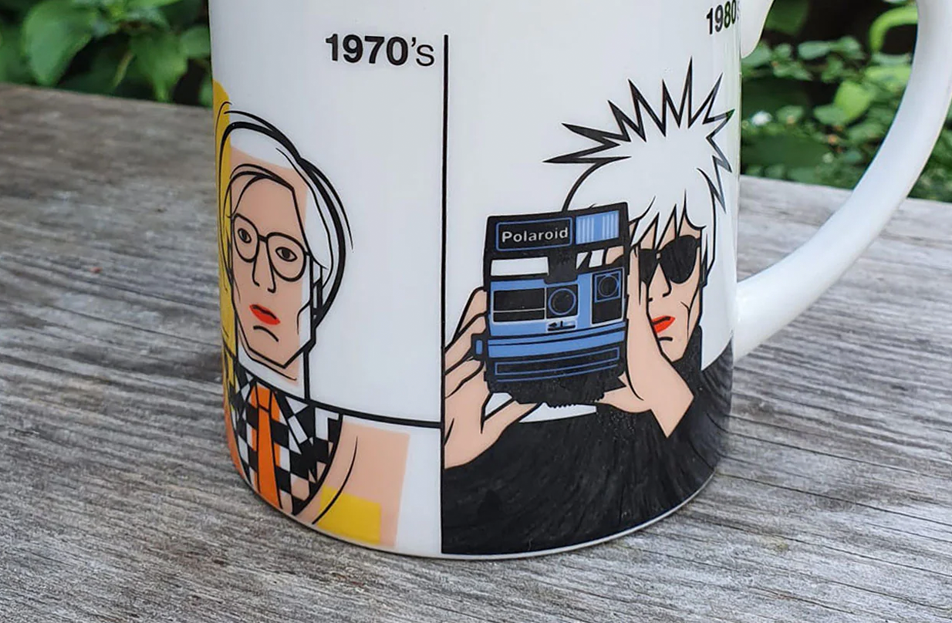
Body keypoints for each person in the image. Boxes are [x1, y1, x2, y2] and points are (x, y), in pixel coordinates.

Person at [442, 66, 735, 554]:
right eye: (628, 269)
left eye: (679, 258)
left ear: (706, 267)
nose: (654, 290)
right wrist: (451, 458)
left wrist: (662, 390)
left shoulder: (699, 382)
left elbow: (684, 442)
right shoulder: (534, 424)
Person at [215, 91, 409, 548]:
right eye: (244, 238)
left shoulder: (368, 447)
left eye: (286, 254)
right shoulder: (247, 405)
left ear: (321, 285)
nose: (261, 275)